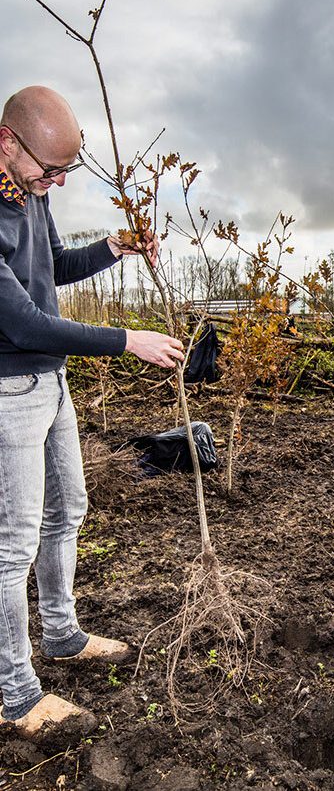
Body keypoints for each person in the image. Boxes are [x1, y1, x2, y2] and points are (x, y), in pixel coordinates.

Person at [0, 86, 184, 739]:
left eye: (63, 174)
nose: (55, 183)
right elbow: (21, 321)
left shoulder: (31, 193)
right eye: (47, 171)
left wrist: (115, 245)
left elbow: (52, 266)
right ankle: (15, 694)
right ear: (7, 142)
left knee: (68, 506)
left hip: (50, 380)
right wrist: (125, 340)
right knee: (12, 541)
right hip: (7, 389)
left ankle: (62, 633)